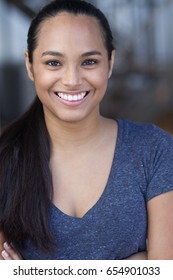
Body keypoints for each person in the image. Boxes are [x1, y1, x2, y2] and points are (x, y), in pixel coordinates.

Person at [0, 0, 173, 260]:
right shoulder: (5, 159)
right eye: (54, 63)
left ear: (110, 63)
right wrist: (133, 265)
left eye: (89, 61)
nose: (72, 80)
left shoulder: (154, 149)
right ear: (30, 65)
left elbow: (163, 273)